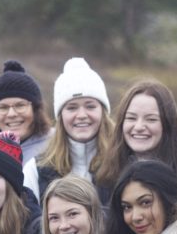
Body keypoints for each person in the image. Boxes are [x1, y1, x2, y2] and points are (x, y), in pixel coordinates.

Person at [24, 57, 114, 202]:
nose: (82, 115)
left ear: (103, 111)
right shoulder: (36, 169)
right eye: (72, 108)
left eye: (90, 106)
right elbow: (28, 220)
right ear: (61, 116)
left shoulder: (122, 163)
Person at [96, 79, 177, 190]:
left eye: (151, 119)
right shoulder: (109, 171)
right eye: (131, 118)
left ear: (167, 124)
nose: (139, 127)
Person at [0, 59, 53, 164]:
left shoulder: (57, 148)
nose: (11, 114)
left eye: (20, 105)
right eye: (3, 107)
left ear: (36, 109)